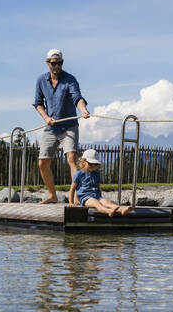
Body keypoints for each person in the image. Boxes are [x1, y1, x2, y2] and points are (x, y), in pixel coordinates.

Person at [34, 49, 90, 204]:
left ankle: (78, 198)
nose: (57, 66)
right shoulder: (41, 80)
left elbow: (77, 97)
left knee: (72, 159)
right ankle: (53, 196)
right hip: (51, 127)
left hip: (69, 126)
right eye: (54, 63)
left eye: (59, 63)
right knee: (42, 162)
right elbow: (38, 103)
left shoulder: (70, 79)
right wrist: (46, 118)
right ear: (47, 63)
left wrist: (83, 109)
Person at [69, 149, 133, 217]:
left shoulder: (96, 174)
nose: (93, 166)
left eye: (95, 164)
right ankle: (108, 211)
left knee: (107, 202)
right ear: (84, 161)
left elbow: (98, 187)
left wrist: (101, 198)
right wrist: (71, 202)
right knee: (96, 203)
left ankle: (121, 209)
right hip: (85, 198)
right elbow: (72, 189)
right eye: (90, 164)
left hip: (96, 196)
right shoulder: (79, 174)